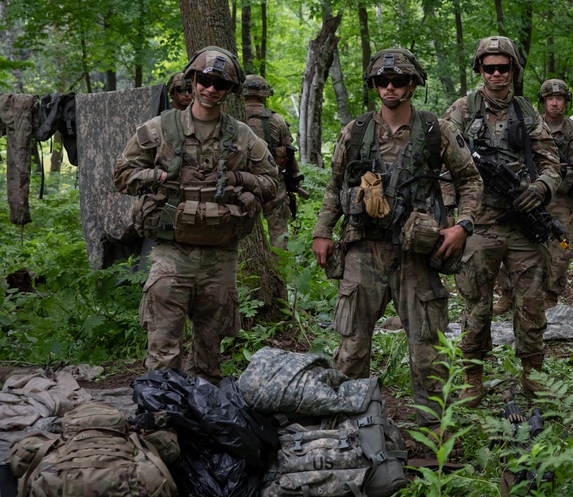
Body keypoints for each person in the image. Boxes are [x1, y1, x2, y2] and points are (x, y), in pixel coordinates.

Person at [311, 48, 483, 424]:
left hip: (416, 253)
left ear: (413, 84)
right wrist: (322, 231)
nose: (390, 87)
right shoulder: (355, 132)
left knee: (427, 349)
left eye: (399, 80)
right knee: (352, 346)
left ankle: (433, 431)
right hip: (362, 251)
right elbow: (334, 187)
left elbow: (470, 180)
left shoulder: (437, 130)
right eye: (383, 81)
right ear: (374, 86)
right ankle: (347, 427)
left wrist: (462, 225)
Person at [114, 47, 278, 382]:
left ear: (230, 90)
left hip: (221, 253)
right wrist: (157, 177)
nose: (211, 89)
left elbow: (272, 183)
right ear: (192, 79)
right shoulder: (159, 129)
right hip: (173, 250)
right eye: (204, 79)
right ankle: (162, 416)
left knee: (210, 349)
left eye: (220, 84)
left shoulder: (242, 136)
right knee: (163, 345)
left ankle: (204, 417)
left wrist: (239, 178)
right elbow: (122, 175)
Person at [442, 36, 561, 404]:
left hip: (521, 222)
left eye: (503, 67)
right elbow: (440, 164)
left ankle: (533, 373)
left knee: (530, 303)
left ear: (513, 70)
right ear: (479, 69)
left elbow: (551, 163)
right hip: (477, 224)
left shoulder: (527, 112)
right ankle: (472, 376)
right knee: (476, 304)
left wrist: (540, 189)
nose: (496, 74)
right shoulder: (462, 110)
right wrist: (454, 216)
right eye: (489, 67)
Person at [493, 79, 573, 313]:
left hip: (561, 199)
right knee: (515, 241)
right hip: (531, 194)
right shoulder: (530, 126)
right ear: (542, 102)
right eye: (550, 99)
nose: (554, 103)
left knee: (561, 246)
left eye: (559, 98)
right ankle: (508, 293)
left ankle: (550, 293)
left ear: (565, 102)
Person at [243, 74, 300, 249]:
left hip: (242, 181)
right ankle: (281, 266)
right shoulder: (277, 120)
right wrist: (293, 174)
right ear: (265, 93)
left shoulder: (234, 118)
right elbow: (289, 152)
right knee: (278, 229)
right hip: (273, 182)